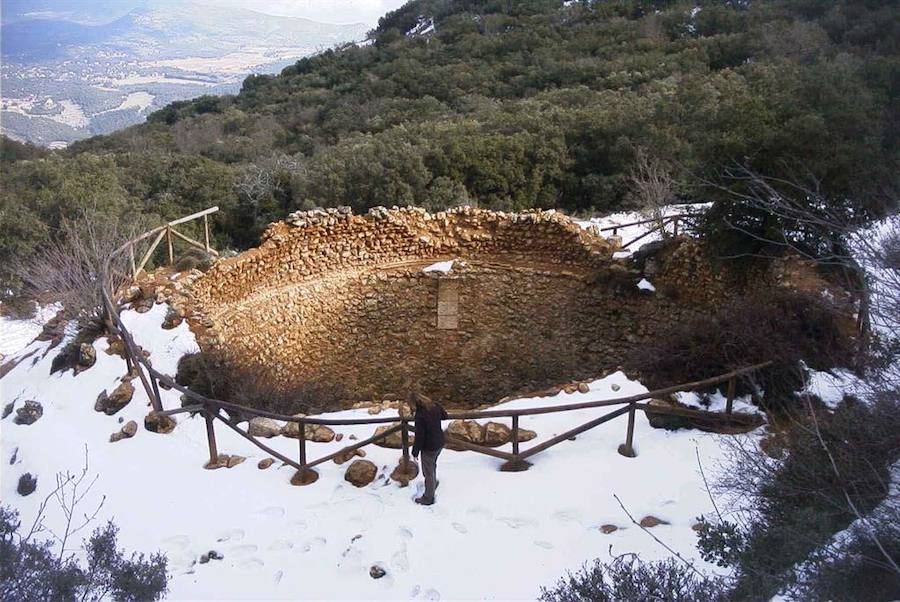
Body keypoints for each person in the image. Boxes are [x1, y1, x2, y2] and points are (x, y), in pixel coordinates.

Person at [409, 391, 448, 506]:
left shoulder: (420, 415)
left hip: (429, 447)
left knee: (428, 471)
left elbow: (420, 436)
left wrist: (415, 452)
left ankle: (428, 497)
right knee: (432, 466)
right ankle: (432, 485)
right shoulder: (434, 406)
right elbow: (445, 416)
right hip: (439, 442)